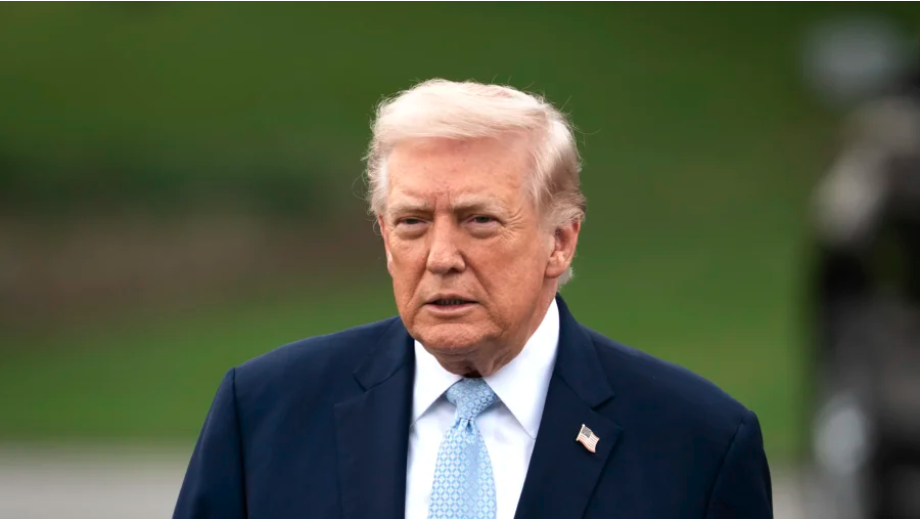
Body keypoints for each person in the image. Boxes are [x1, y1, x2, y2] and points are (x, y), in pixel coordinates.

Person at [173, 79, 773, 519]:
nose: (440, 256)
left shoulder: (697, 446)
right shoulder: (263, 416)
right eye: (411, 222)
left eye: (478, 221)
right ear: (384, 238)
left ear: (560, 242)